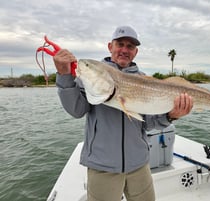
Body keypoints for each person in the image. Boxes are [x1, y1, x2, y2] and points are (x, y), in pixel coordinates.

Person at [53, 25, 193, 201]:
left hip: (139, 164)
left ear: (135, 52)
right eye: (120, 44)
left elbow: (149, 123)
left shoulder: (144, 79)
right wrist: (64, 75)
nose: (124, 50)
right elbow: (76, 110)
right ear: (110, 46)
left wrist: (171, 116)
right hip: (102, 166)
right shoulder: (92, 75)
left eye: (130, 46)